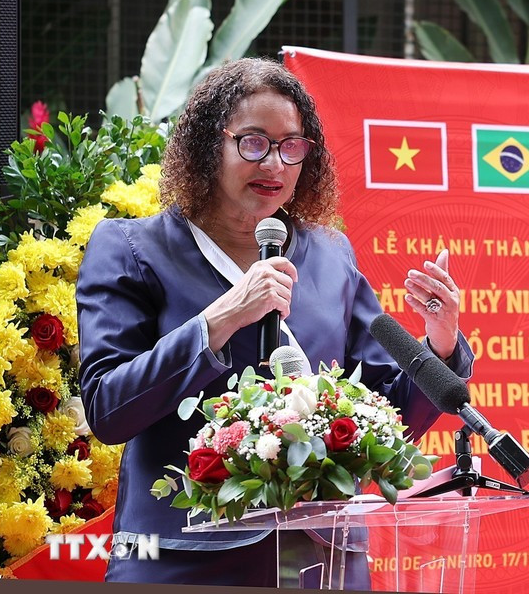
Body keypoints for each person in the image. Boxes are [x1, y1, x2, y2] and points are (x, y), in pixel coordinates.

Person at [76, 57, 474, 588]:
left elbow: (387, 413)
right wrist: (217, 322)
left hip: (323, 557)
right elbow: (108, 409)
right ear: (207, 146)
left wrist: (439, 344)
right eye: (254, 142)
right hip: (185, 557)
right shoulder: (132, 248)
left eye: (292, 146)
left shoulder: (330, 254)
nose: (275, 164)